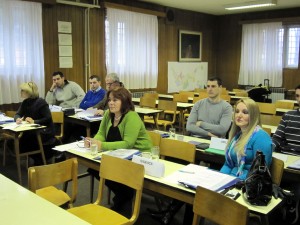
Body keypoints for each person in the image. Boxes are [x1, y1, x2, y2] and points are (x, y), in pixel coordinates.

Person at [85, 87, 152, 212]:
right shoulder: (107, 114)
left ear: (125, 101)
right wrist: (94, 141)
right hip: (118, 154)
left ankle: (124, 196)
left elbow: (128, 144)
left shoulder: (132, 116)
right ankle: (124, 194)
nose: (111, 103)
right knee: (94, 168)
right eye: (109, 100)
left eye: (115, 100)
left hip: (139, 156)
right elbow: (101, 133)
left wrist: (102, 145)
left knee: (109, 170)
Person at [220, 98, 272, 180]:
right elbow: (228, 164)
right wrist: (219, 178)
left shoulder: (261, 137)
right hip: (231, 179)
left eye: (245, 112)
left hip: (247, 183)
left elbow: (259, 172)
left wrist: (234, 181)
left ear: (253, 115)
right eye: (237, 111)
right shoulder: (237, 136)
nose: (239, 115)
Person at [272, 85, 300, 224]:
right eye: (298, 96)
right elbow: (276, 138)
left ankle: (292, 207)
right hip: (284, 157)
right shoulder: (288, 116)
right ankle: (278, 207)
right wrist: (267, 150)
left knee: (296, 187)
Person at [14, 82, 57, 163]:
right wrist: (17, 119)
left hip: (45, 130)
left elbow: (48, 118)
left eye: (23, 90)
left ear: (29, 92)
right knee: (24, 137)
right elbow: (18, 114)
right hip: (33, 129)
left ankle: (38, 158)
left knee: (28, 137)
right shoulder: (25, 102)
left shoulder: (41, 102)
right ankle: (34, 157)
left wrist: (34, 121)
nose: (21, 92)